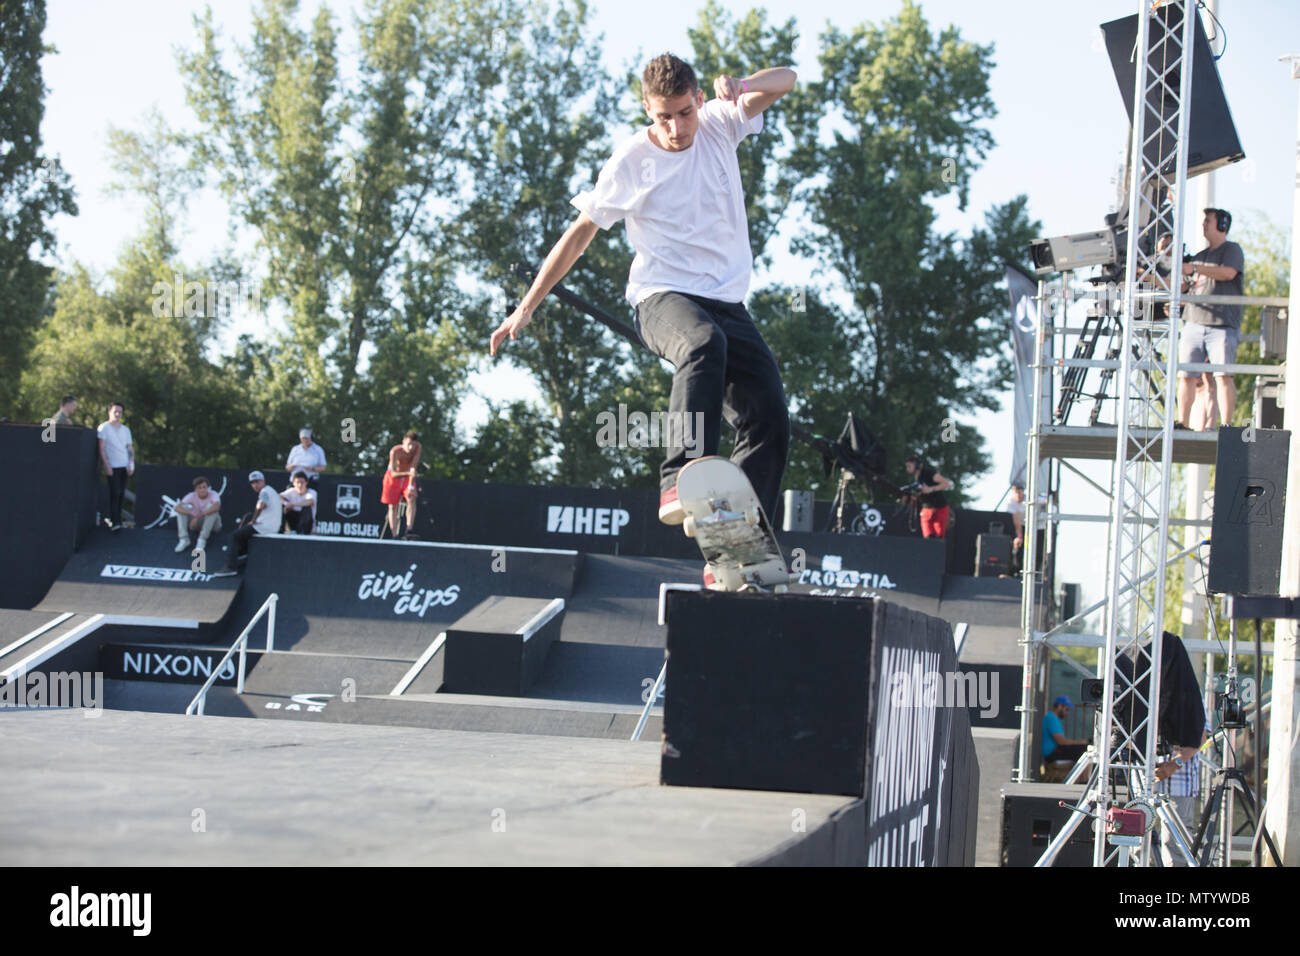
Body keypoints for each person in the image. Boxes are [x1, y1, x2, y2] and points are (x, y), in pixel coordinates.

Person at [489, 53, 796, 576]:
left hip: (729, 304)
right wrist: (527, 306)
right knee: (701, 345)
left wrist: (741, 83)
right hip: (661, 299)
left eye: (684, 113)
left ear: (700, 100)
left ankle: (736, 548)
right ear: (647, 111)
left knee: (770, 415)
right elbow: (579, 235)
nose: (676, 128)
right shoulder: (631, 159)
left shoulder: (722, 123)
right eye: (663, 117)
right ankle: (680, 476)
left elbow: (787, 78)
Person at [1175, 208, 1245, 430]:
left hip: (1222, 325)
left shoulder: (1232, 250)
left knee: (1223, 375)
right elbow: (1183, 284)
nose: (1204, 224)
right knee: (1186, 375)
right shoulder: (1200, 255)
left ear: (1222, 225)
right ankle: (1182, 422)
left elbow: (1228, 273)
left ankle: (1226, 425)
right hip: (1194, 322)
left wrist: (1194, 267)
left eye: (1208, 220)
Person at [213, 471, 283, 576]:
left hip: (265, 526)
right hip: (272, 526)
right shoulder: (271, 491)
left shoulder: (265, 492)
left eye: (257, 482)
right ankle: (241, 554)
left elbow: (260, 505)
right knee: (244, 534)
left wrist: (254, 520)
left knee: (234, 536)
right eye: (253, 483)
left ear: (263, 481)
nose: (255, 485)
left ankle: (230, 567)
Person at [96, 402, 134, 531]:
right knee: (115, 492)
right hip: (112, 466)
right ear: (109, 412)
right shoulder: (104, 428)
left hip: (124, 465)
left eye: (120, 412)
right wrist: (107, 465)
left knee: (122, 493)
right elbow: (101, 448)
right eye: (115, 411)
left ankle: (118, 519)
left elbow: (129, 448)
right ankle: (114, 521)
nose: (118, 414)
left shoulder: (125, 430)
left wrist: (131, 464)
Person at [382, 430, 422, 539]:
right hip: (393, 477)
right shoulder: (395, 451)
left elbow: (413, 466)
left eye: (413, 445)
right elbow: (394, 473)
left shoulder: (418, 447)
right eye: (409, 444)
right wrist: (409, 473)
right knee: (392, 505)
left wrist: (409, 487)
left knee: (411, 498)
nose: (411, 448)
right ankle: (394, 534)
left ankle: (409, 530)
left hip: (408, 477)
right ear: (403, 442)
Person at [904, 454, 953, 539]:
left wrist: (931, 489)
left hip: (940, 508)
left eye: (909, 466)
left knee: (939, 538)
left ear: (917, 465)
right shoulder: (916, 478)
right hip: (926, 510)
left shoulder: (928, 473)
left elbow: (947, 483)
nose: (907, 469)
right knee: (928, 538)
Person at [173, 475, 223, 553]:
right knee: (183, 509)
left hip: (214, 526)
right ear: (195, 489)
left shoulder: (213, 494)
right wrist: (191, 513)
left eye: (204, 487)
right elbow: (177, 508)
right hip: (197, 523)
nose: (202, 490)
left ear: (208, 488)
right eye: (200, 487)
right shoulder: (191, 495)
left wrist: (199, 516)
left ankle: (202, 539)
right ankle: (184, 539)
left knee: (212, 508)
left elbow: (217, 507)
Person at [1042, 695, 1089, 767]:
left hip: (1055, 751)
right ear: (1060, 706)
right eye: (1066, 709)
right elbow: (1061, 742)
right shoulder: (1051, 718)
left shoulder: (1052, 718)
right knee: (1083, 751)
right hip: (1051, 754)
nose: (1067, 713)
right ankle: (1085, 778)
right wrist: (1082, 742)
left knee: (1083, 750)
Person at [280, 470, 317, 535]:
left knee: (306, 508)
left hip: (307, 524)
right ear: (293, 483)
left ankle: (302, 531)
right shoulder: (291, 491)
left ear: (306, 483)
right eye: (298, 482)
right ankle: (287, 530)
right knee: (284, 507)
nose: (300, 485)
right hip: (293, 522)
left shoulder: (312, 492)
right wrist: (286, 504)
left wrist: (293, 504)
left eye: (302, 482)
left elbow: (310, 501)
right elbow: (278, 497)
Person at [1007, 482, 1026, 571]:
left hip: (1031, 528)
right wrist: (1019, 537)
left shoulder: (1029, 499)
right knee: (1017, 548)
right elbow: (1017, 522)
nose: (1019, 495)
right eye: (1016, 493)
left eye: (1020, 492)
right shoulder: (1011, 503)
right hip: (1019, 530)